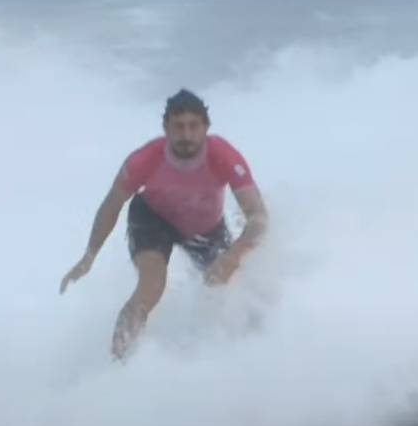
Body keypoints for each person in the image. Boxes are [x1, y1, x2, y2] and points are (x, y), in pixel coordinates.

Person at [59, 89, 269, 360]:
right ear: (165, 128)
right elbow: (111, 206)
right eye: (178, 127)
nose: (186, 135)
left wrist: (234, 255)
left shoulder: (223, 155)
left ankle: (251, 355)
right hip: (153, 219)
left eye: (194, 126)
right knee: (152, 284)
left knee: (235, 289)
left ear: (206, 127)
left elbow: (259, 217)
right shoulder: (144, 159)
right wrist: (89, 256)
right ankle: (117, 364)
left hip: (206, 227)